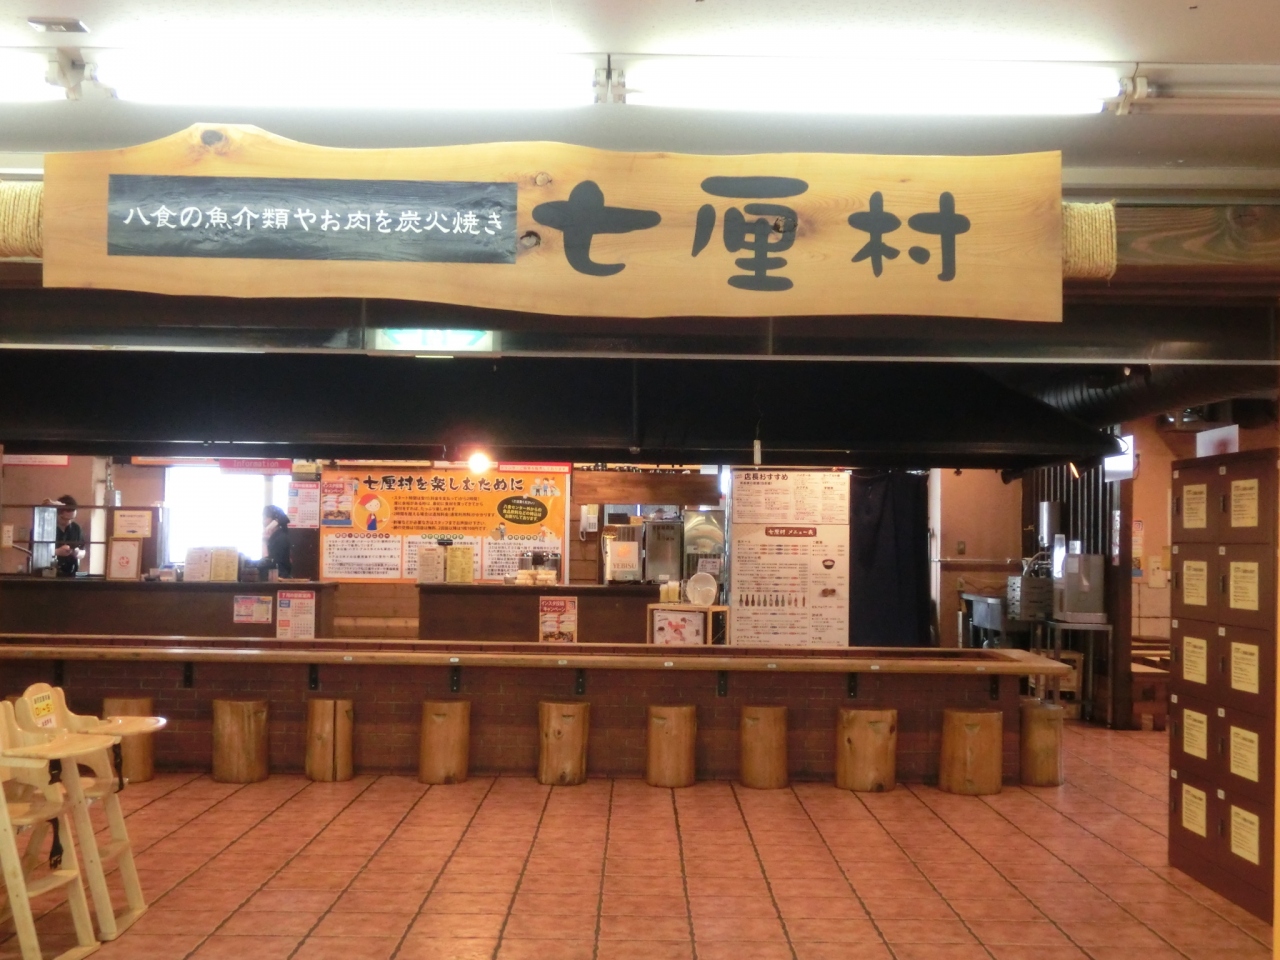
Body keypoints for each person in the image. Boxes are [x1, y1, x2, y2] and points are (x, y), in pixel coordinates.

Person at [52, 495, 85, 577]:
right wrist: (56, 552)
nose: (69, 522)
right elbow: (33, 552)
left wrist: (77, 553)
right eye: (65, 519)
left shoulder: (76, 528)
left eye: (72, 519)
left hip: (72, 573)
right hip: (50, 573)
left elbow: (83, 551)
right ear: (56, 513)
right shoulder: (45, 528)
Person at [259, 505, 292, 578]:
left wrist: (264, 542)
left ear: (274, 522)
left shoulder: (280, 539)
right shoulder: (275, 537)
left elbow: (269, 564)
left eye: (265, 518)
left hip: (279, 579)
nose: (263, 522)